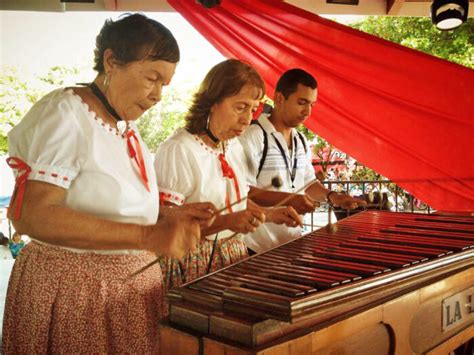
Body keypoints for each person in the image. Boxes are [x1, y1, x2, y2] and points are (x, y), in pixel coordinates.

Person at [2, 14, 215, 354]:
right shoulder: (66, 113)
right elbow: (31, 215)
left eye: (165, 84)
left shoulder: (123, 128)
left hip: (118, 294)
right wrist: (147, 236)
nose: (158, 94)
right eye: (152, 78)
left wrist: (167, 216)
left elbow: (104, 202)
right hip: (77, 293)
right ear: (111, 61)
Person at [155, 59, 301, 290]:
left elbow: (236, 204)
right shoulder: (179, 149)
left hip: (232, 258)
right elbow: (165, 225)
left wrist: (270, 214)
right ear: (213, 102)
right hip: (192, 265)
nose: (247, 119)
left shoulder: (232, 146)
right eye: (240, 107)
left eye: (253, 110)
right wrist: (227, 222)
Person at [239, 68, 366, 254]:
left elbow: (308, 183)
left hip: (292, 244)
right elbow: (242, 192)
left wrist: (333, 197)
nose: (307, 111)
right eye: (302, 102)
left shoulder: (300, 140)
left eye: (312, 105)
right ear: (280, 99)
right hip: (256, 248)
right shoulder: (253, 137)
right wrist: (289, 199)